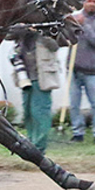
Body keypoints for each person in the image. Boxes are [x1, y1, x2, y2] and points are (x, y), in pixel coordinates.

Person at [8, 26, 61, 155]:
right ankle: (31, 143)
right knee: (28, 113)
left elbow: (55, 45)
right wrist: (24, 28)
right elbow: (7, 35)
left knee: (40, 113)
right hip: (25, 78)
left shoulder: (48, 28)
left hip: (42, 78)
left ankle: (39, 147)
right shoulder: (21, 32)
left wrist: (40, 31)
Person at [69, 0, 95, 144]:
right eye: (89, 1)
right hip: (73, 69)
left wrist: (84, 25)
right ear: (84, 3)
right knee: (74, 104)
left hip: (92, 70)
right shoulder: (74, 19)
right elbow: (67, 38)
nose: (92, 4)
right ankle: (77, 133)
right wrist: (75, 24)